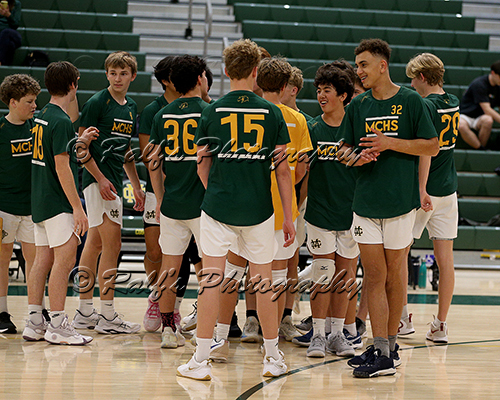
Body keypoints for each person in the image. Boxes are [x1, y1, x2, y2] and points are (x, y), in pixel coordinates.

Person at [176, 39, 295, 381]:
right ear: (256, 71)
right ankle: (272, 358)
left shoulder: (210, 111)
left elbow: (201, 164)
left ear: (227, 71)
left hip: (218, 207)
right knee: (264, 283)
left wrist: (215, 192)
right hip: (259, 209)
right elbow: (283, 171)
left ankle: (200, 360)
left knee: (212, 281)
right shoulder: (272, 112)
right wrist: (288, 217)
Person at [337, 38, 439, 378]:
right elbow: (343, 150)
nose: (359, 71)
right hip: (365, 202)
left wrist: (389, 143)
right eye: (357, 66)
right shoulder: (358, 105)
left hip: (399, 204)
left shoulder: (411, 101)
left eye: (364, 65)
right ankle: (381, 349)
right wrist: (356, 157)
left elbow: (432, 146)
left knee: (394, 277)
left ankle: (390, 347)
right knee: (374, 276)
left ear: (383, 65)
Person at [22, 61, 98, 345]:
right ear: (73, 85)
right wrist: (78, 208)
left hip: (40, 201)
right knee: (64, 263)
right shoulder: (62, 121)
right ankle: (57, 324)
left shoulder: (42, 115)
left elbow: (53, 150)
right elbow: (62, 167)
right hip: (58, 203)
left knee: (41, 261)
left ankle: (34, 322)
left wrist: (78, 140)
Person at [72, 51, 145, 334]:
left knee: (94, 245)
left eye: (123, 73)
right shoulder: (96, 102)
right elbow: (80, 147)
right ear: (106, 74)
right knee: (113, 245)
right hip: (98, 181)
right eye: (113, 73)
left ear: (133, 76)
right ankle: (108, 315)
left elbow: (125, 151)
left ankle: (84, 312)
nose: (117, 78)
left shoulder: (131, 106)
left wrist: (135, 185)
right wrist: (100, 179)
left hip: (112, 181)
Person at [148, 54, 208, 348]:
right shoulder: (209, 112)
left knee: (169, 267)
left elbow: (153, 162)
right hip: (203, 204)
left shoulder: (162, 115)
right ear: (199, 79)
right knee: (209, 270)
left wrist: (159, 197)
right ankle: (207, 330)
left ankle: (168, 330)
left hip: (172, 202)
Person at [298, 64, 357, 359]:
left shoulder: (356, 128)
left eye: (328, 91)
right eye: (319, 90)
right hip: (320, 213)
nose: (321, 95)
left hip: (352, 213)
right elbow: (303, 174)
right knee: (322, 273)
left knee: (345, 276)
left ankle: (338, 334)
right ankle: (318, 335)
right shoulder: (312, 129)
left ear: (343, 95)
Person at [406, 52, 459, 343]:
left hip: (425, 191)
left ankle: (401, 318)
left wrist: (421, 189)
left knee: (400, 253)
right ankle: (441, 324)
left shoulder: (425, 105)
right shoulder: (453, 101)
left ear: (423, 77)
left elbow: (427, 150)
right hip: (449, 189)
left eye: (413, 79)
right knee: (445, 260)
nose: (412, 85)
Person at [138, 55, 180, 333]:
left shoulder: (193, 106)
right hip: (157, 189)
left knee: (180, 252)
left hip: (186, 191)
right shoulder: (153, 110)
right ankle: (156, 294)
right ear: (165, 80)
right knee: (154, 249)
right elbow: (148, 155)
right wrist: (165, 181)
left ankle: (173, 306)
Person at [0, 74, 40, 333]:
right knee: (2, 259)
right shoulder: (2, 130)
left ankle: (37, 311)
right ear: (13, 102)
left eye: (35, 101)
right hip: (4, 206)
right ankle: (2, 312)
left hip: (32, 207)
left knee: (35, 260)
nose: (34, 106)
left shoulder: (36, 127)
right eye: (29, 101)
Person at [458, 60, 500, 149]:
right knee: (460, 125)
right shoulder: (480, 84)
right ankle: (480, 148)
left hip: (481, 117)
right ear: (493, 73)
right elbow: (487, 109)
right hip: (466, 115)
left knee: (488, 120)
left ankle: (481, 149)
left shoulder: (498, 88)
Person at [0, 0, 21, 66]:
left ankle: (0, 61)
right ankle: (5, 66)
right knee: (11, 45)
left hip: (11, 34)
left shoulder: (16, 4)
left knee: (5, 32)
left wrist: (8, 15)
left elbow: (16, 24)